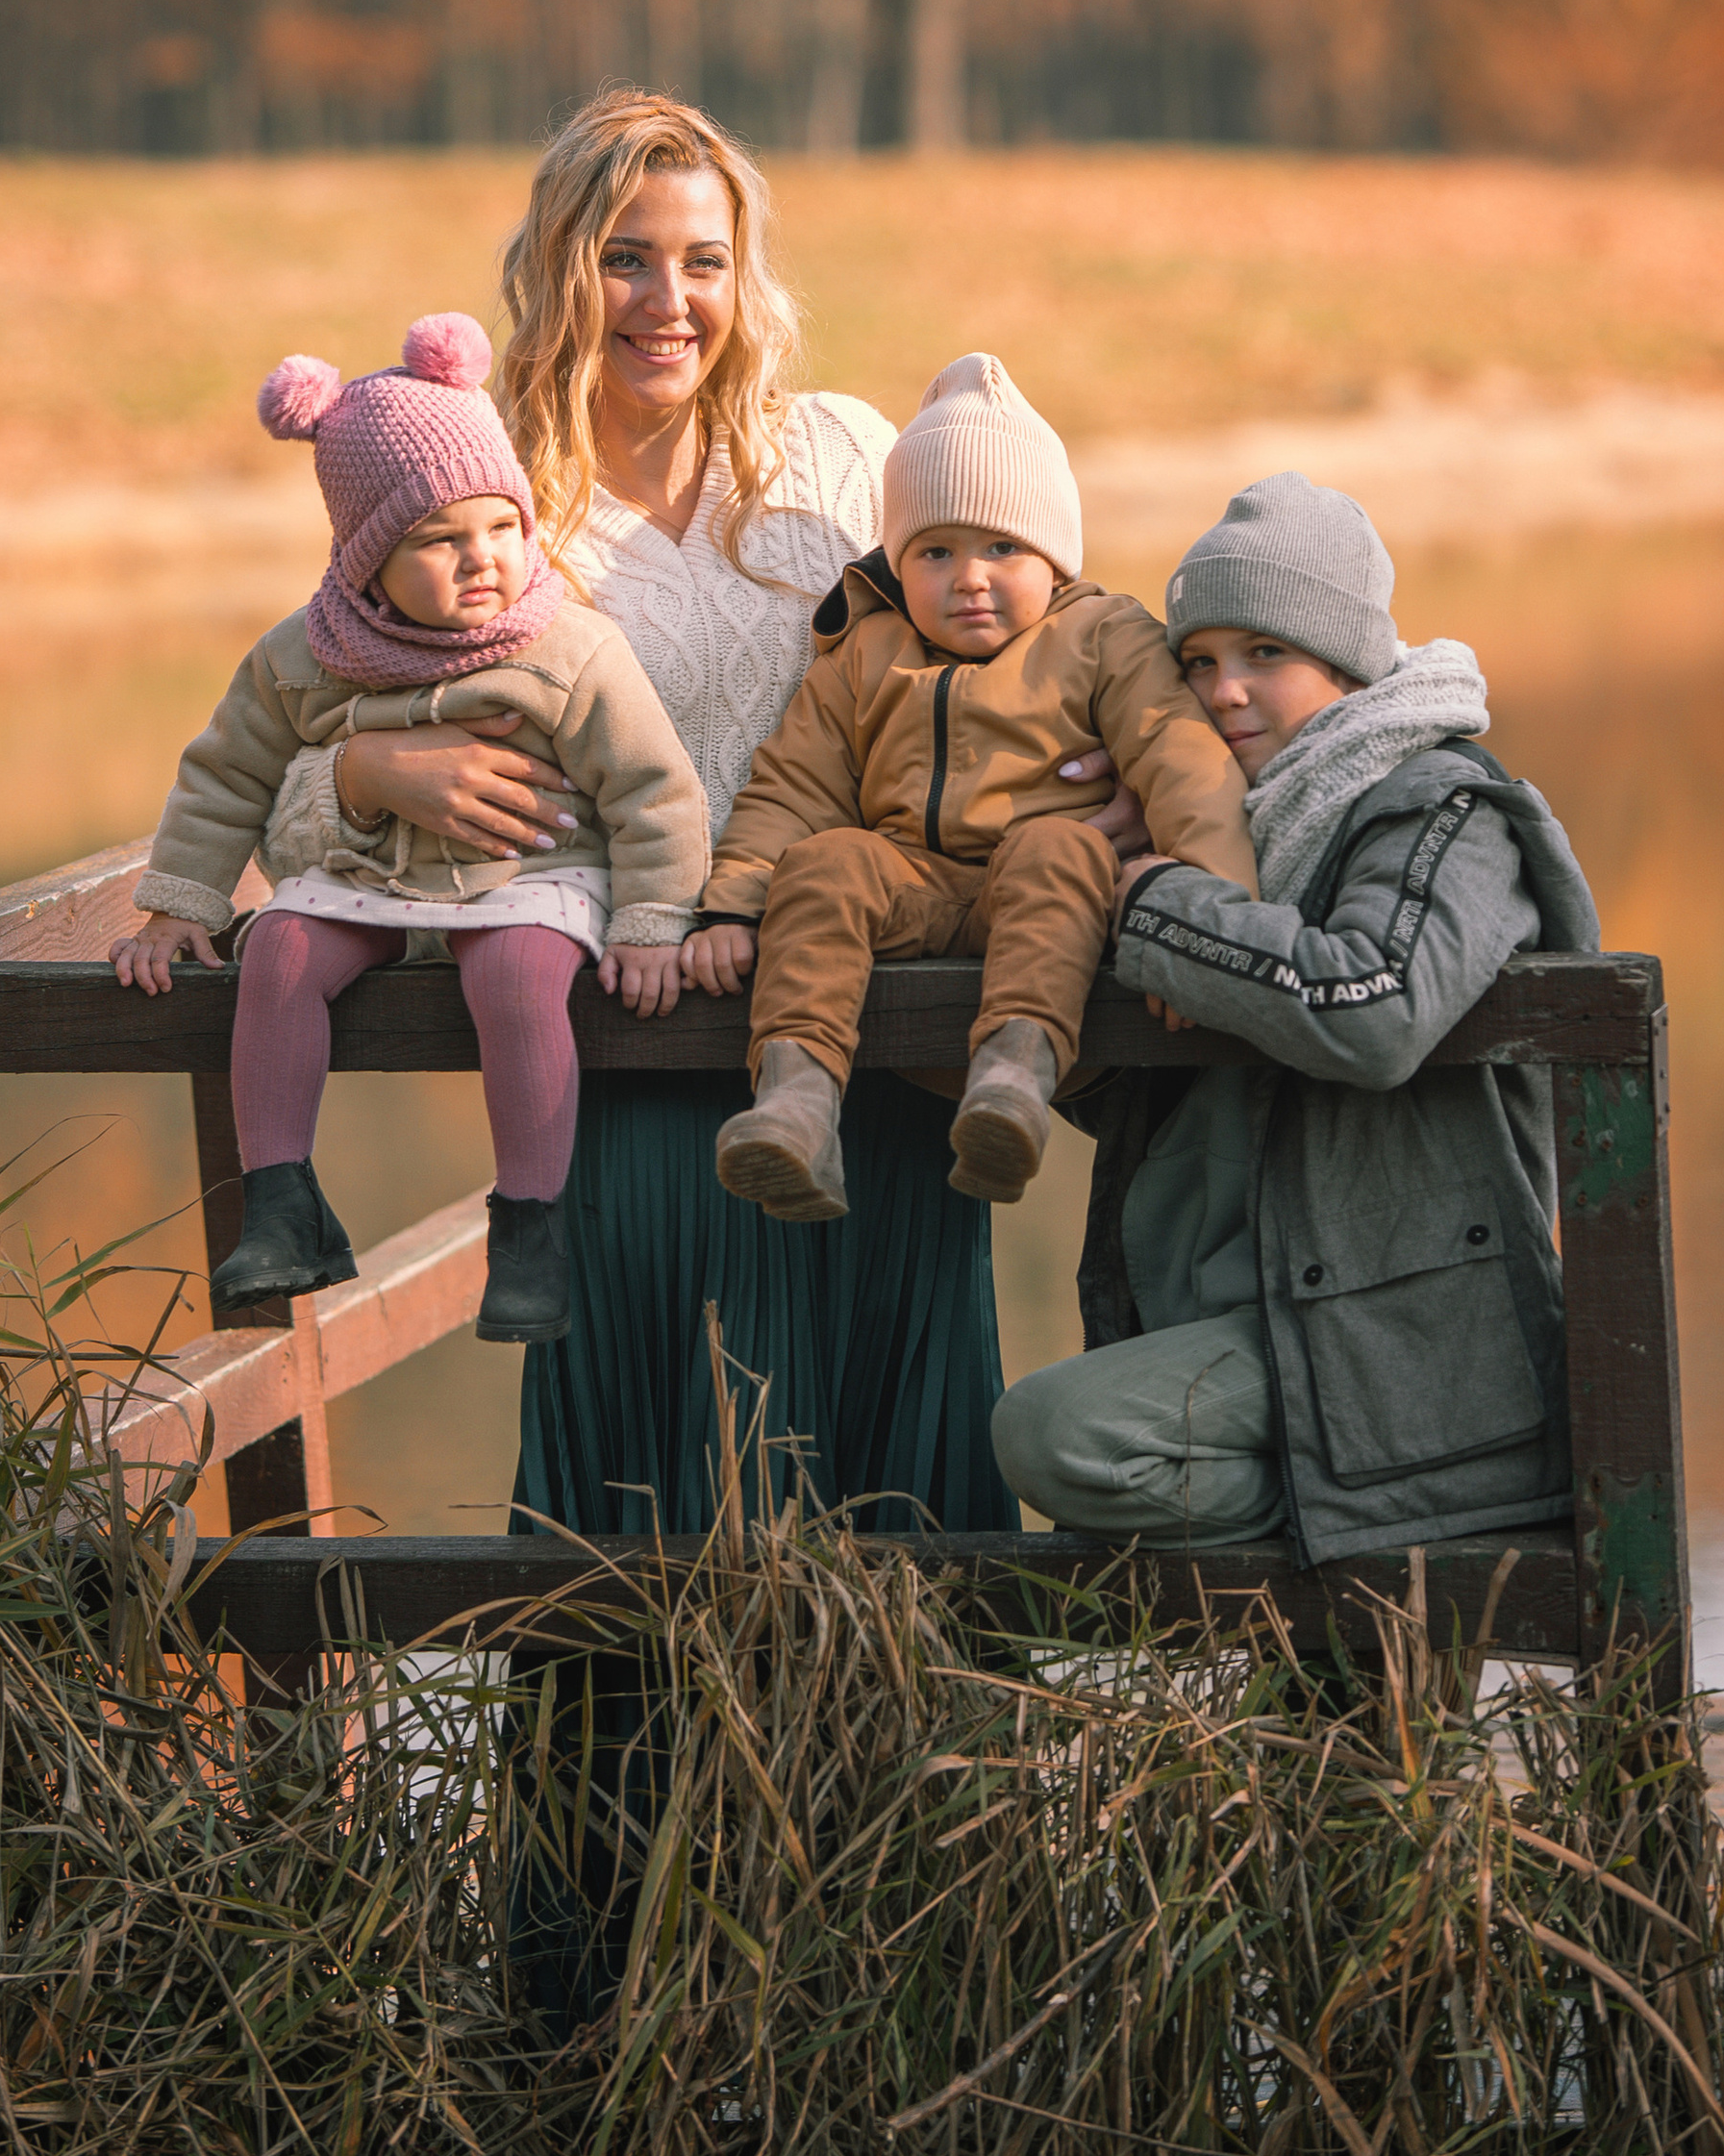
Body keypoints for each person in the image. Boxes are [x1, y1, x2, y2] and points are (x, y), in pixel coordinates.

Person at [261, 90, 1144, 1539]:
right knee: (644, 1519)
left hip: (875, 1054)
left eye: (705, 259)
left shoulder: (850, 465)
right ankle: (639, 1774)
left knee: (893, 1505)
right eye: (624, 256)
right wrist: (370, 777)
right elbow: (282, 773)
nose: (668, 301)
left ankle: (899, 1765)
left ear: (747, 277)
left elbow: (1041, 648)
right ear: (556, 269)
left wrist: (1091, 789)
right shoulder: (483, 498)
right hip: (626, 1069)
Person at [990, 470, 1601, 1566]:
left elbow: (1374, 1009)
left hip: (1397, 1343)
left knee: (1055, 1436)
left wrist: (1150, 902)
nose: (1224, 693)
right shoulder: (1222, 834)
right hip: (1256, 1327)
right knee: (1087, 1464)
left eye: (1266, 655)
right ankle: (1378, 1532)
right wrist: (1076, 869)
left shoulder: (1440, 805)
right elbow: (1157, 1105)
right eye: (1198, 663)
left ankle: (1425, 1483)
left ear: (1349, 663)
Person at [111, 313, 706, 1345]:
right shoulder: (306, 652)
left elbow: (655, 791)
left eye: (502, 529)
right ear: (366, 557)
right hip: (367, 875)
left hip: (533, 877)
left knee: (517, 975)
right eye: (437, 540)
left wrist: (654, 920)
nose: (482, 560)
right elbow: (224, 776)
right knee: (283, 951)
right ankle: (282, 1204)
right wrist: (177, 905)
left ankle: (528, 1227)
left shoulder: (568, 647)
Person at [688, 351, 1254, 1220]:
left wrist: (1208, 920)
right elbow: (793, 787)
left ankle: (1012, 1081)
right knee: (829, 859)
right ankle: (796, 1102)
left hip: (1040, 903)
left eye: (1003, 547)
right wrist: (733, 903)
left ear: (1055, 557)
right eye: (936, 551)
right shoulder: (866, 655)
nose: (970, 577)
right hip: (908, 887)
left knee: (1062, 844)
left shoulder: (1101, 636)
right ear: (898, 560)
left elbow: (1182, 764)